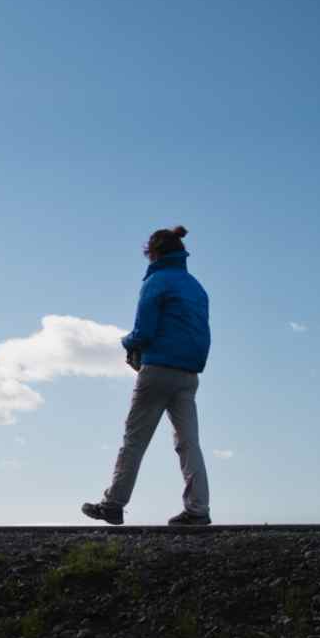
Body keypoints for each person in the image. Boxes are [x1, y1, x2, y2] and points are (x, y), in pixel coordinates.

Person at [82, 225, 213, 526]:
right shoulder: (196, 287)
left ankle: (113, 504)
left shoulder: (156, 282)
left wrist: (127, 344)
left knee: (134, 440)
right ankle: (198, 509)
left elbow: (144, 331)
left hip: (157, 371)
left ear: (152, 253)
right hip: (189, 374)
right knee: (188, 443)